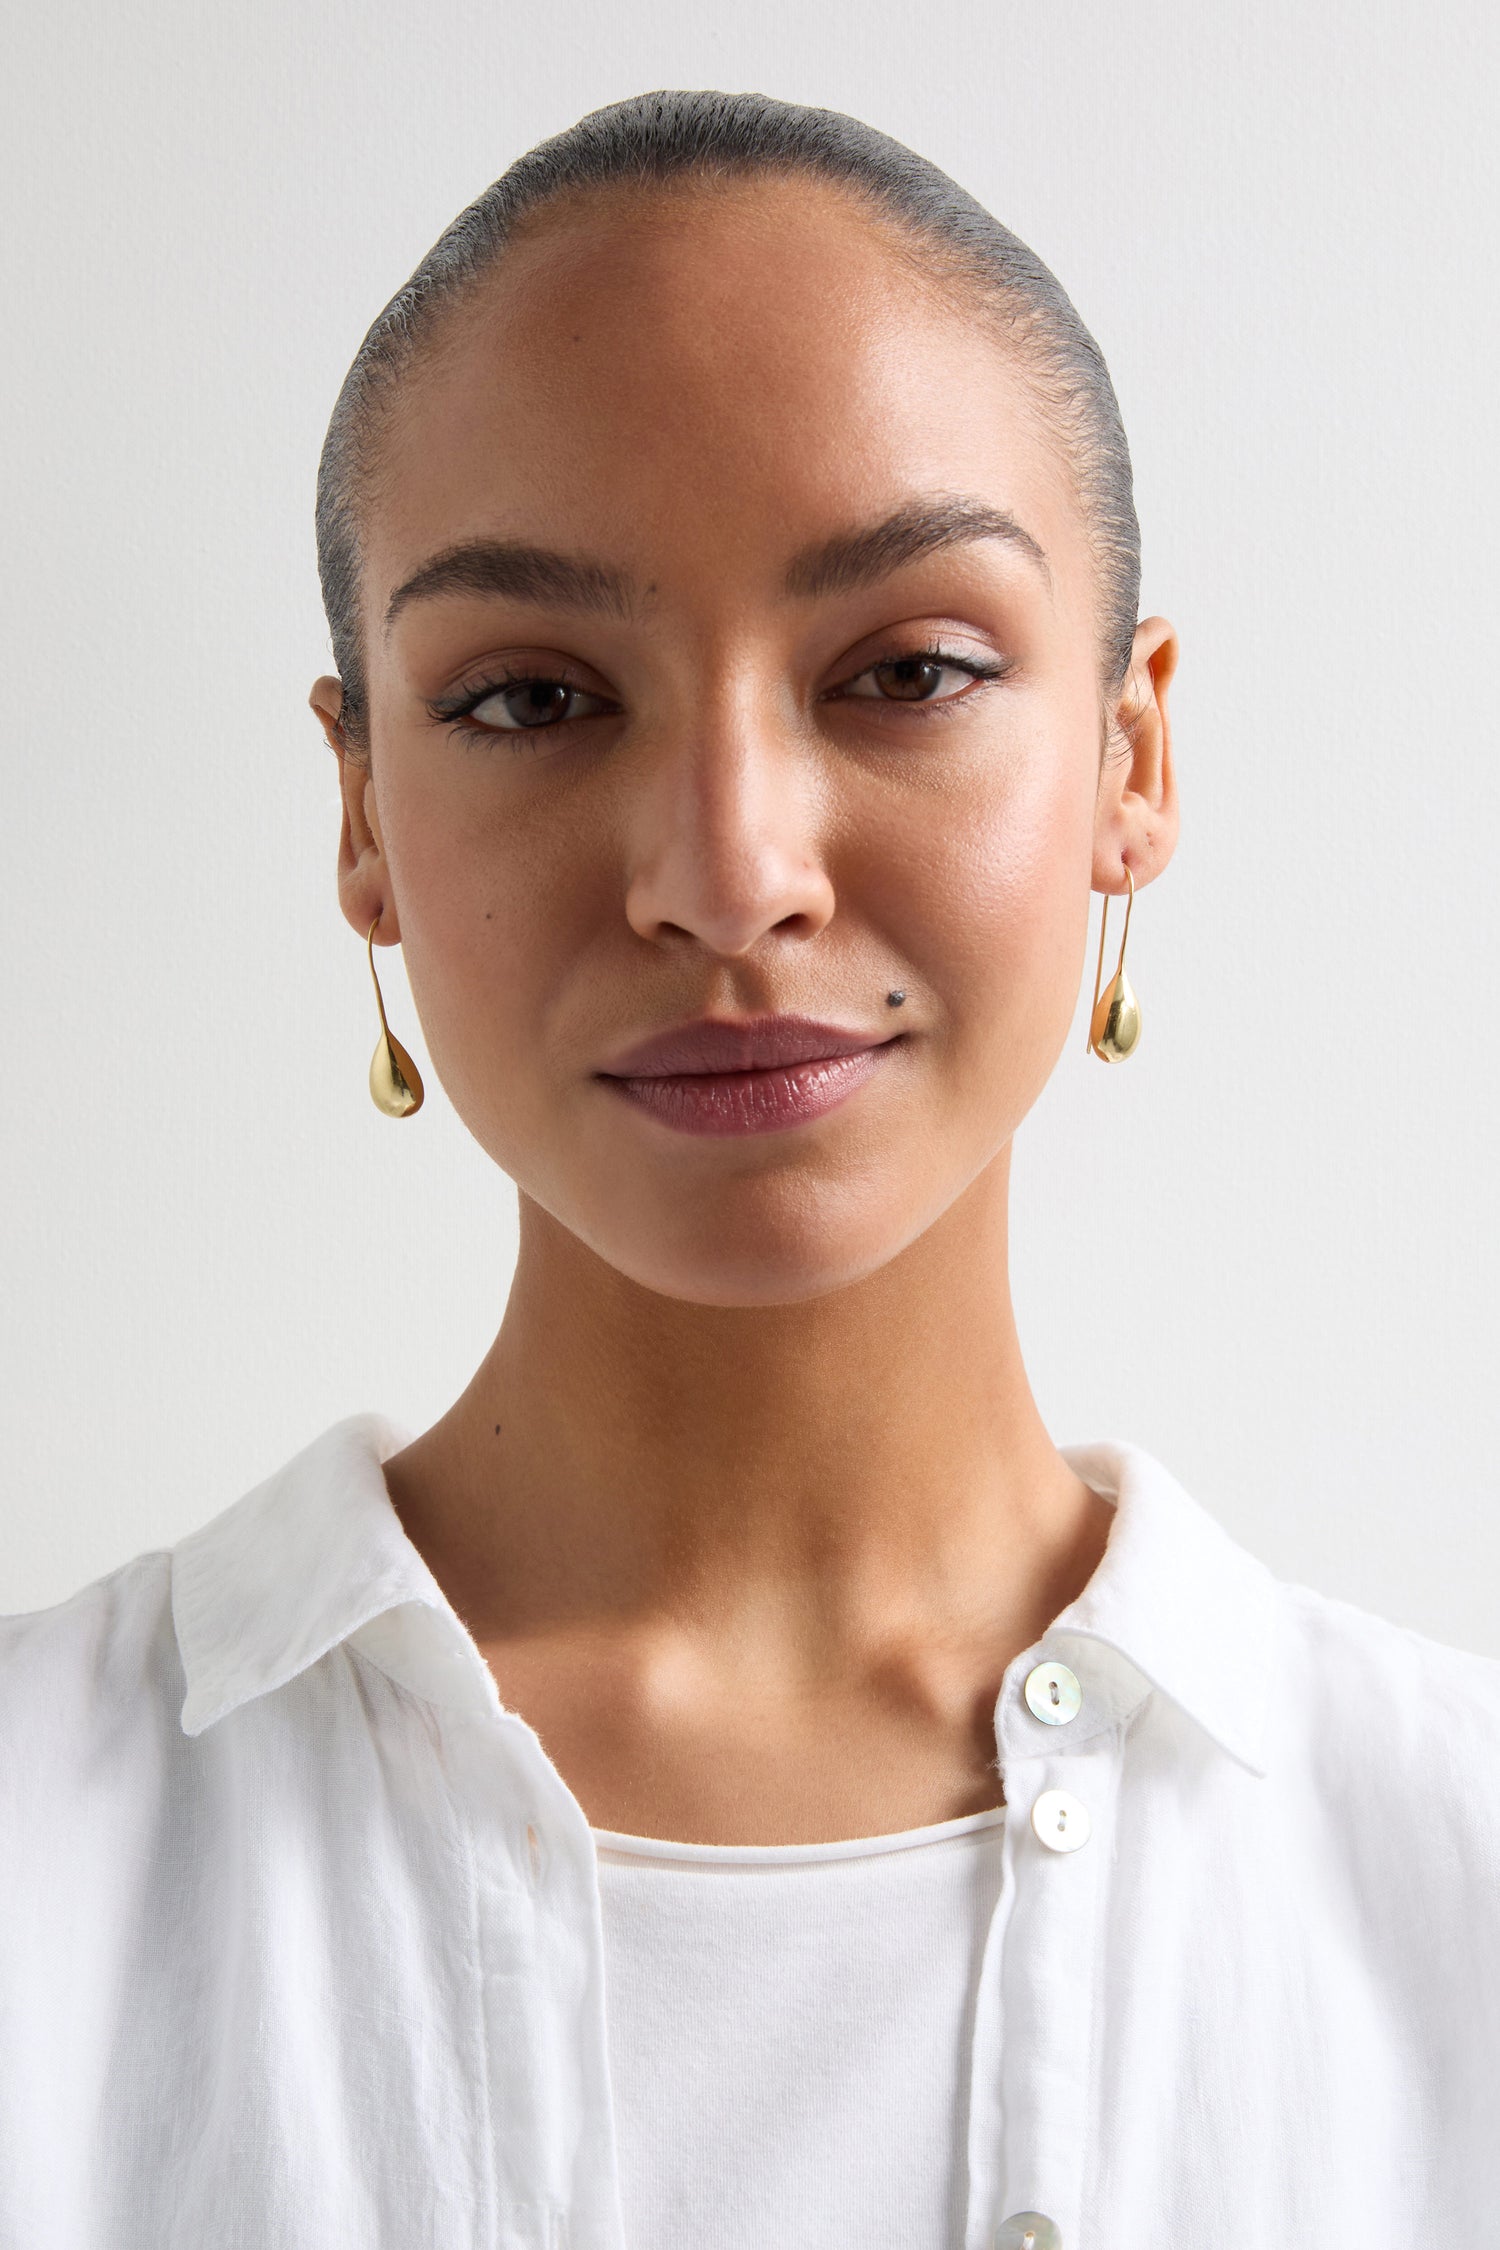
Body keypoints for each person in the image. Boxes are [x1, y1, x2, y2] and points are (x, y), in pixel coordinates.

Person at [3, 86, 1498, 2250]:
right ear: (359, 816)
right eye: (530, 700)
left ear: (1131, 754)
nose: (728, 874)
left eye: (907, 671)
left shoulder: (1452, 1881)